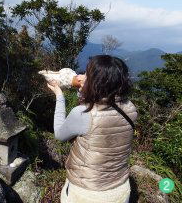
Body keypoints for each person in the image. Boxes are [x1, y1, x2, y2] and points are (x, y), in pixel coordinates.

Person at [47, 55, 138, 203]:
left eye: (86, 75)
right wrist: (85, 92)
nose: (81, 77)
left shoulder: (84, 114)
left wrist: (59, 96)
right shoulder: (131, 108)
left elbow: (59, 134)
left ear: (96, 83)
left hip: (86, 194)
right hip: (120, 191)